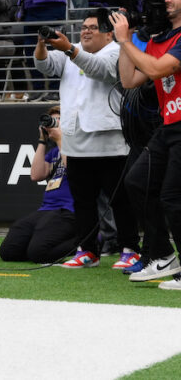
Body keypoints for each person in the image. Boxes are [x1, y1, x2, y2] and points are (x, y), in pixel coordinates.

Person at [35, 15, 137, 269]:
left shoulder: (116, 51)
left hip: (110, 139)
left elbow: (100, 70)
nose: (86, 32)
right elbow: (44, 65)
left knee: (119, 199)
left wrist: (70, 48)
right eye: (83, 28)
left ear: (108, 34)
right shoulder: (71, 53)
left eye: (93, 28)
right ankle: (88, 250)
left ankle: (131, 249)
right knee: (83, 200)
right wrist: (42, 43)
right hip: (76, 139)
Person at [113, 0, 181, 289]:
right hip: (168, 126)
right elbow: (129, 80)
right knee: (137, 182)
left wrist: (127, 41)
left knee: (171, 197)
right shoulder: (159, 39)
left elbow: (155, 71)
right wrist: (124, 43)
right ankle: (164, 254)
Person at [0, 106, 78, 264]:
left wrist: (61, 139)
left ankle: (86, 240)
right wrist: (42, 140)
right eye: (53, 122)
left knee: (39, 253)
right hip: (46, 210)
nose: (54, 125)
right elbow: (36, 175)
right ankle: (37, 246)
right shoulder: (54, 151)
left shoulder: (79, 147)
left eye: (58, 121)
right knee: (9, 251)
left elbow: (76, 173)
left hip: (68, 211)